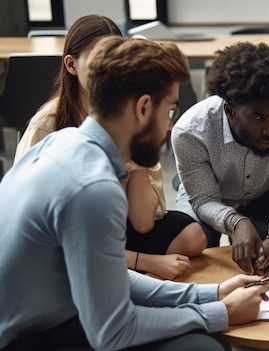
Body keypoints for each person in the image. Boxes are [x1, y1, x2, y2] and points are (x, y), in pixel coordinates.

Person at [0, 36, 269, 350]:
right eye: (170, 112)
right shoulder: (94, 189)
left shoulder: (63, 143)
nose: (170, 128)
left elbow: (112, 276)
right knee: (202, 347)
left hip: (48, 315)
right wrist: (220, 313)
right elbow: (112, 332)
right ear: (143, 108)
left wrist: (212, 294)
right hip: (29, 339)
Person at [13, 14, 207, 280]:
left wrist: (140, 148)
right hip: (63, 246)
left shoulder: (127, 122)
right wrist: (147, 262)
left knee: (193, 236)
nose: (110, 69)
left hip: (108, 228)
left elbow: (142, 222)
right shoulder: (49, 128)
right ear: (71, 65)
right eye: (98, 61)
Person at [172, 42, 269, 276]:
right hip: (211, 193)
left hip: (265, 191)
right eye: (259, 117)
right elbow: (203, 198)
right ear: (230, 110)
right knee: (186, 240)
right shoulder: (189, 131)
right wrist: (235, 222)